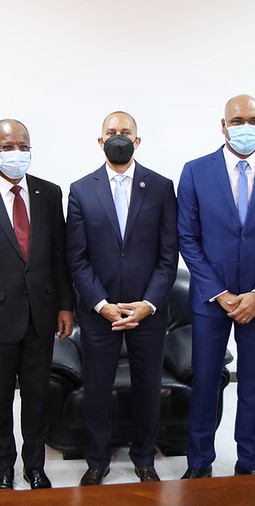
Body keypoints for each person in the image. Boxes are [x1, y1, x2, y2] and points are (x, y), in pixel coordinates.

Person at [177, 94, 255, 478]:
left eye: (253, 119)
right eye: (238, 120)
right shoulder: (196, 171)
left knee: (253, 384)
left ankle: (249, 463)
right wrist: (221, 293)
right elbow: (187, 238)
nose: (246, 126)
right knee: (205, 383)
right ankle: (199, 462)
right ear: (223, 125)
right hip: (211, 301)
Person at [0, 119, 74, 490]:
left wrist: (66, 306)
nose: (17, 153)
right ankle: (3, 468)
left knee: (37, 398)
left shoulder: (49, 194)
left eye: (24, 145)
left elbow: (59, 256)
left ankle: (35, 466)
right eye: (9, 146)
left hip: (41, 316)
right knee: (0, 399)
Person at [66, 111, 178, 486]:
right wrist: (101, 304)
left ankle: (144, 458)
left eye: (125, 132)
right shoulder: (81, 189)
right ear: (100, 141)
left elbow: (168, 256)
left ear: (138, 140)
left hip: (148, 311)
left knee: (149, 388)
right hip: (100, 312)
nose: (118, 137)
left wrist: (148, 304)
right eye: (111, 133)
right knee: (98, 389)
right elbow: (77, 258)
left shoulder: (161, 187)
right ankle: (97, 460)